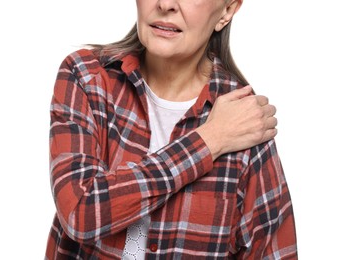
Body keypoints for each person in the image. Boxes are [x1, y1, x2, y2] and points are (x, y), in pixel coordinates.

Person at [45, 0, 297, 259]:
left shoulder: (244, 120)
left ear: (227, 10)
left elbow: (272, 251)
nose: (165, 4)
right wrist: (209, 141)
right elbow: (80, 212)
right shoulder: (88, 77)